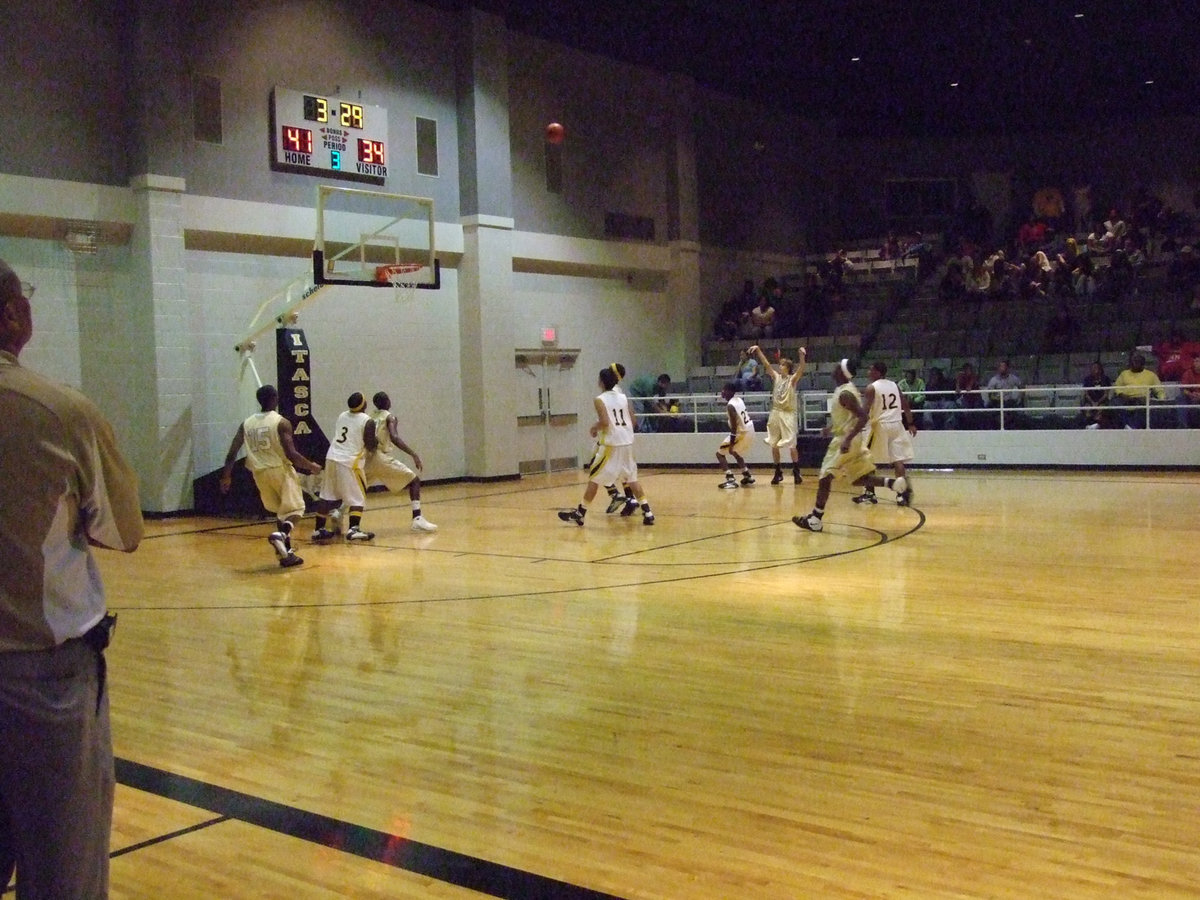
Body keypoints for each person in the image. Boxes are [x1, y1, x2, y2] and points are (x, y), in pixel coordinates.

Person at [0, 259, 143, 898]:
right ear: (12, 316)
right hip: (41, 682)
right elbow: (123, 530)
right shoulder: (57, 412)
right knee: (64, 876)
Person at [793, 359, 911, 533]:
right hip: (851, 438)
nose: (833, 370)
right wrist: (831, 427)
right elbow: (850, 416)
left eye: (836, 368)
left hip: (845, 441)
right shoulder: (844, 390)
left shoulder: (845, 393)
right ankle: (892, 483)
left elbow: (862, 416)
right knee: (858, 478)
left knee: (825, 477)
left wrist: (847, 439)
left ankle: (816, 518)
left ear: (842, 372)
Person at [220, 384, 323, 566]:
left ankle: (286, 552)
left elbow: (231, 454)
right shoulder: (281, 422)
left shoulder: (246, 423)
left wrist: (226, 476)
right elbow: (291, 454)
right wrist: (311, 466)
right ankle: (282, 535)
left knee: (280, 512)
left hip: (259, 473)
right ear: (275, 398)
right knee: (296, 510)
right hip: (280, 470)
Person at [558, 365, 654, 525]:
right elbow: (634, 420)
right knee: (632, 478)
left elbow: (604, 422)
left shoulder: (600, 399)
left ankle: (580, 514)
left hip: (611, 445)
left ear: (601, 382)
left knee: (594, 478)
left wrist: (594, 428)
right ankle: (648, 512)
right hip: (627, 442)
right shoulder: (623, 397)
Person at [363, 391, 438, 532]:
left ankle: (338, 513)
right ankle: (417, 518)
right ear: (387, 402)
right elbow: (395, 437)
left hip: (367, 457)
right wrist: (413, 454)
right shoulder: (390, 417)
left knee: (358, 490)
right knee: (414, 480)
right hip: (380, 457)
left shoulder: (369, 417)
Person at [311, 392, 378, 541]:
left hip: (332, 457)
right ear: (363, 405)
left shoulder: (342, 415)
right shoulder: (368, 421)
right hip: (350, 462)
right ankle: (354, 529)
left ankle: (318, 529)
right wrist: (377, 440)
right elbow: (371, 445)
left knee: (326, 495)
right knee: (358, 497)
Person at [854, 362, 918, 505]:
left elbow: (864, 412)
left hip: (879, 426)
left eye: (871, 369)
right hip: (896, 424)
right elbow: (905, 405)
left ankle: (870, 494)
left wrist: (855, 428)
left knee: (867, 460)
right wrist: (911, 424)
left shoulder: (872, 388)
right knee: (898, 460)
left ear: (878, 372)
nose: (868, 372)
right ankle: (901, 495)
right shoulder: (895, 385)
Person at [750, 344, 806, 485]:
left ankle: (796, 471)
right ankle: (778, 471)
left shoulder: (792, 380)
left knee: (791, 444)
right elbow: (766, 364)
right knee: (773, 443)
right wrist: (758, 350)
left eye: (782, 365)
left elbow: (801, 369)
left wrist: (802, 356)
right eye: (780, 365)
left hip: (788, 414)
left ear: (787, 368)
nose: (779, 367)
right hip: (776, 412)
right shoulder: (776, 377)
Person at [716, 381, 756, 489]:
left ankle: (730, 479)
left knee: (720, 454)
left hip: (741, 433)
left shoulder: (730, 406)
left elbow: (734, 428)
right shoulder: (739, 399)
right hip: (750, 429)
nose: (722, 392)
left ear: (729, 392)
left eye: (724, 390)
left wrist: (732, 444)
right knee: (735, 452)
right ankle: (747, 475)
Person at [1112, 352, 1166, 428]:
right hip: (1125, 398)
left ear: (1142, 363)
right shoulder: (1124, 374)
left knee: (1145, 408)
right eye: (1134, 361)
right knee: (1113, 404)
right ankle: (1125, 425)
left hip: (1142, 399)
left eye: (1138, 361)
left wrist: (1161, 400)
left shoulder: (1150, 375)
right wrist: (1122, 395)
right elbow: (1117, 387)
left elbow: (1159, 390)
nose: (1136, 363)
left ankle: (1131, 427)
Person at [1081, 361, 1113, 428]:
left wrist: (1097, 403)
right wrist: (1092, 403)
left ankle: (1097, 426)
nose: (1094, 369)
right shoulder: (1087, 379)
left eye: (1096, 367)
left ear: (1100, 369)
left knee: (1100, 409)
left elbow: (1106, 394)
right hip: (1090, 401)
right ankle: (1088, 425)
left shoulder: (1105, 379)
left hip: (1102, 401)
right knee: (1088, 409)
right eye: (1093, 368)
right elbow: (1086, 393)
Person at [1177, 355, 1200, 428]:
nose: (1198, 363)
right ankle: (1183, 425)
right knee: (1180, 398)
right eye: (1196, 361)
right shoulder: (1188, 373)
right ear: (1193, 363)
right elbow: (1183, 389)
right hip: (1191, 397)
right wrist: (1191, 394)